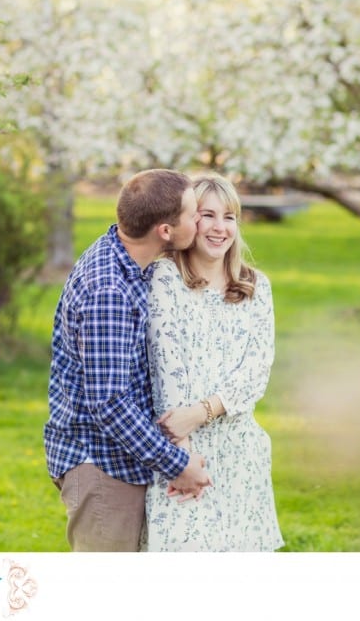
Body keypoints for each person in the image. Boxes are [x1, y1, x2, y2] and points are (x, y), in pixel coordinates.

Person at [44, 168, 213, 552]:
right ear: (165, 231)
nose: (200, 220)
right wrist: (177, 464)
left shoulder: (126, 259)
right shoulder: (110, 291)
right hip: (101, 466)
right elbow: (110, 404)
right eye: (193, 214)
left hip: (119, 460)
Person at [142, 173, 284, 551]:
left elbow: (256, 372)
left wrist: (203, 410)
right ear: (188, 221)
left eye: (230, 217)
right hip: (183, 451)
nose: (220, 228)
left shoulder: (256, 286)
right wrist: (183, 450)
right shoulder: (164, 278)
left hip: (241, 451)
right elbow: (165, 365)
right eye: (207, 215)